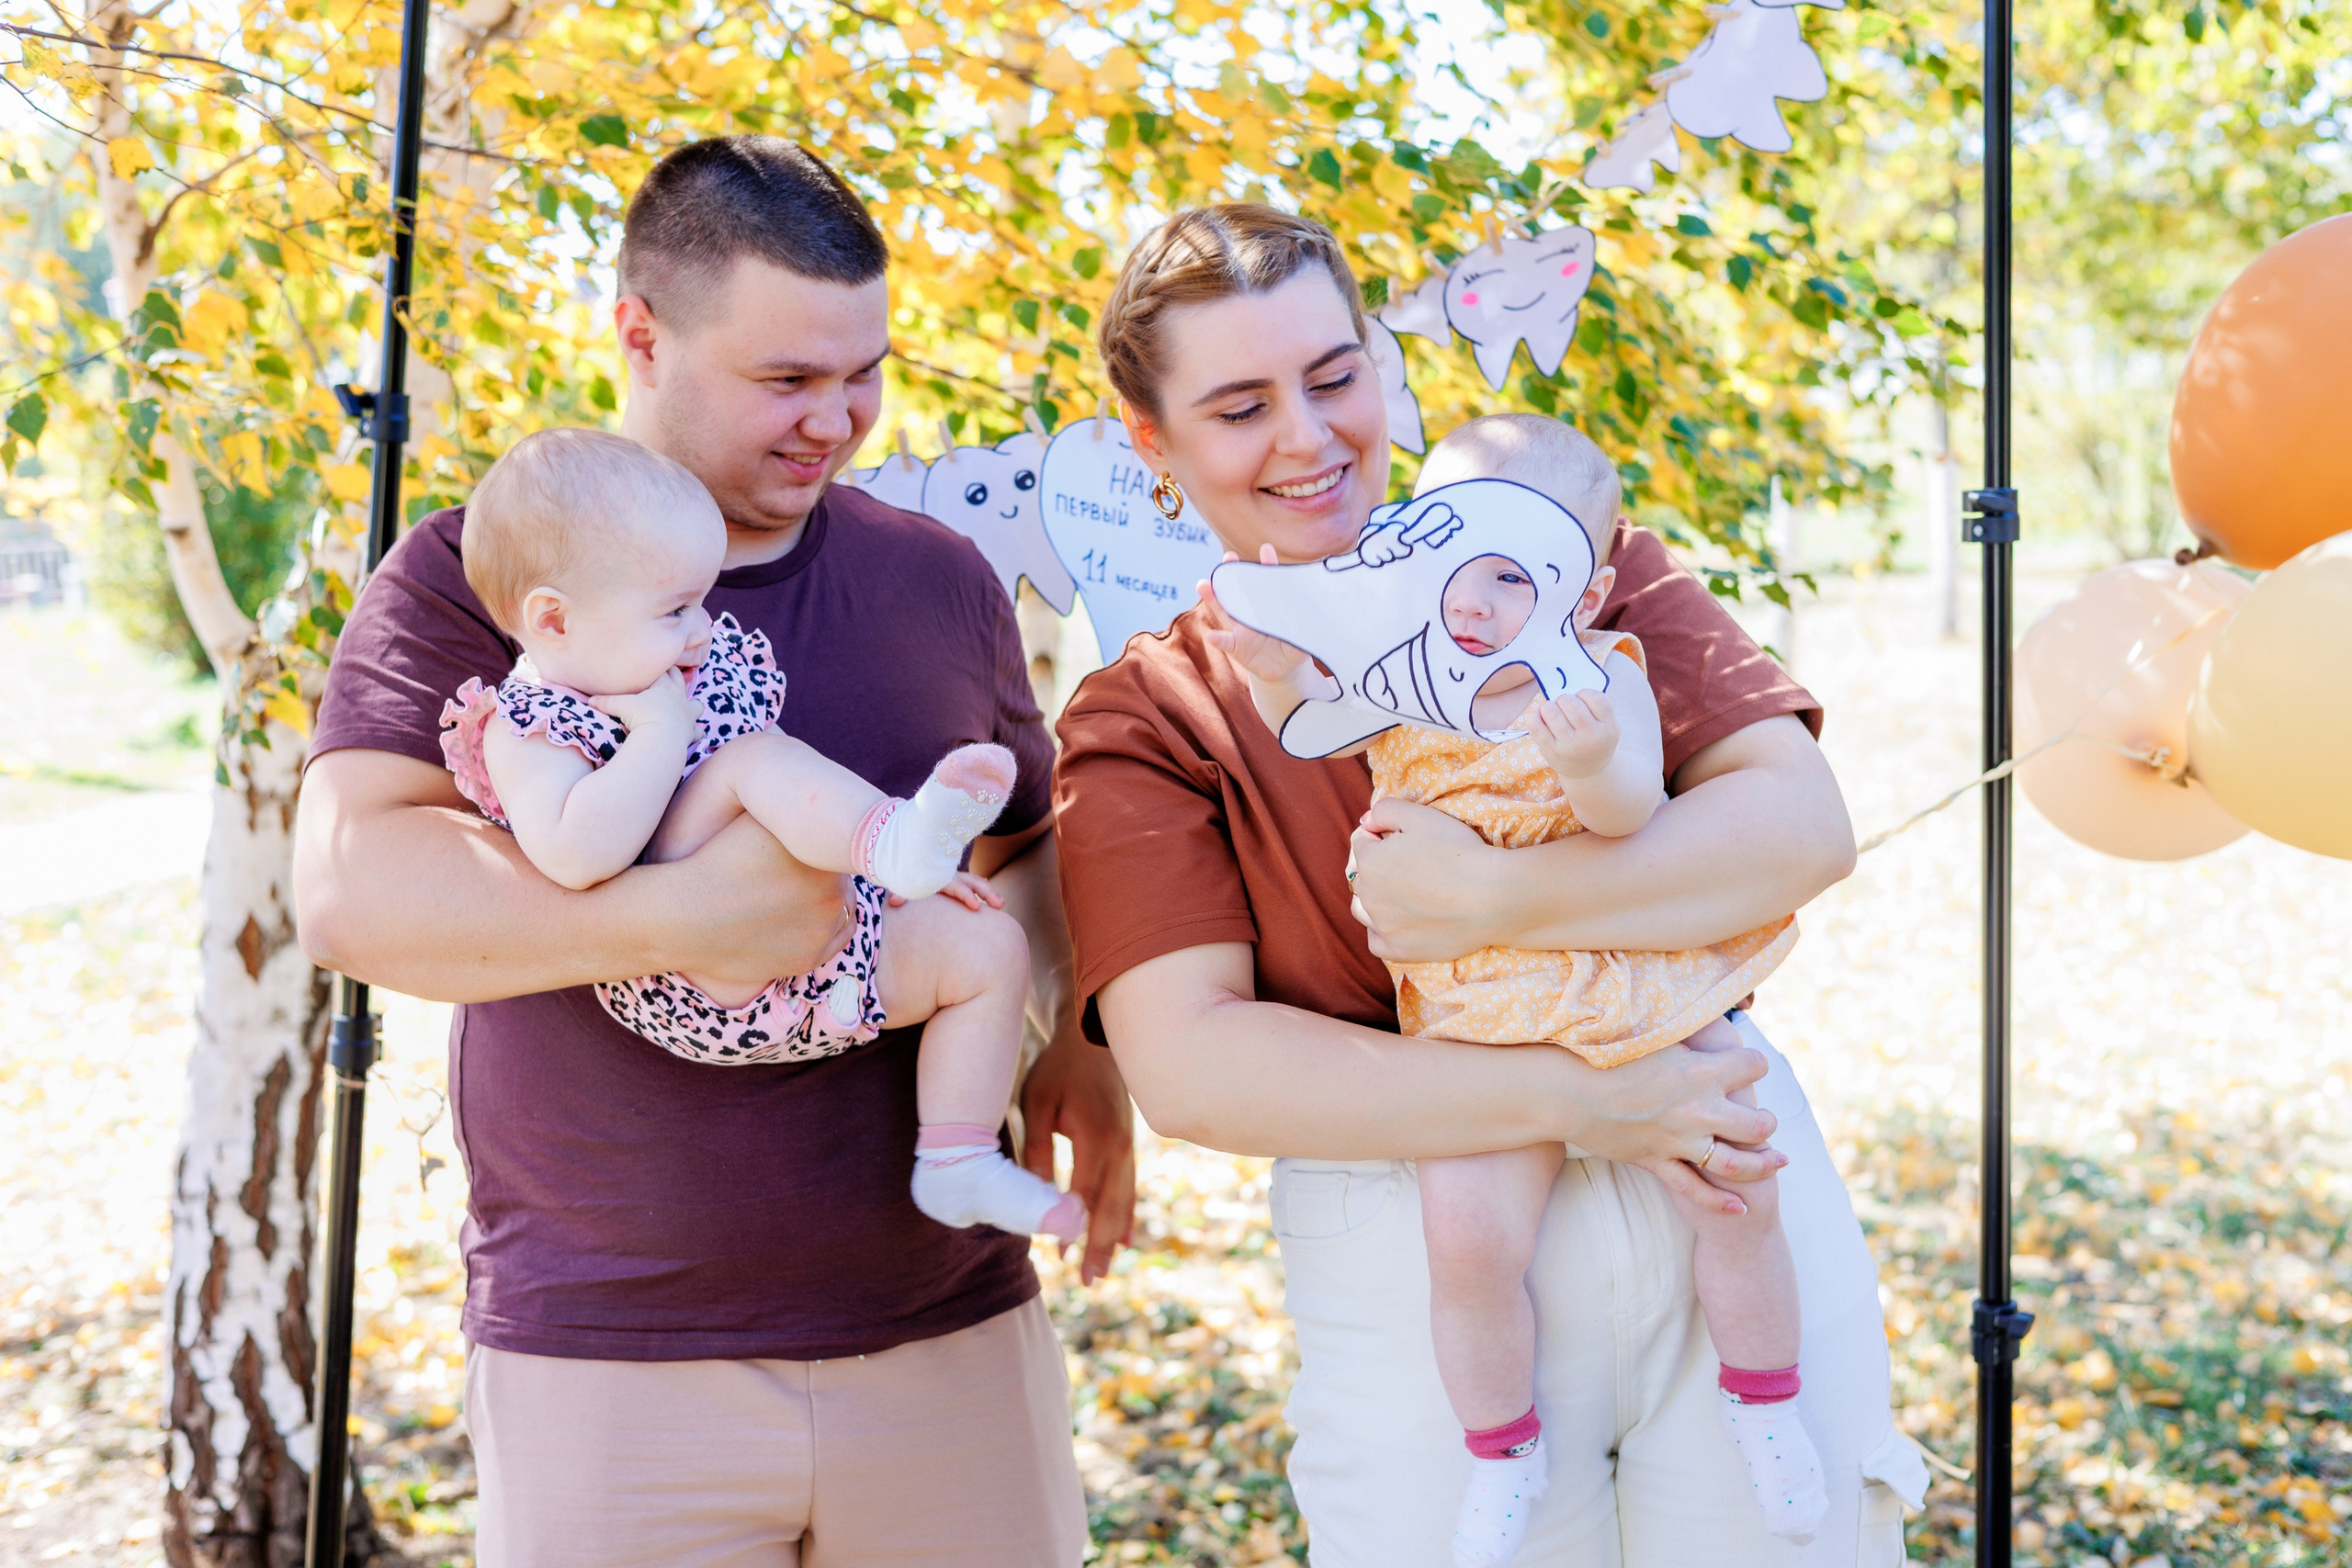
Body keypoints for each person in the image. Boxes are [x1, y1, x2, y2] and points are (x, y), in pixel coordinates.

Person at [293, 136, 1132, 1567]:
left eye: (864, 372)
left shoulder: (938, 575)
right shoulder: (483, 576)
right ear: (640, 333)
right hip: (610, 1350)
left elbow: (1029, 848)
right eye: (787, 381)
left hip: (949, 1323)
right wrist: (692, 917)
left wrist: (1082, 1040)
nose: (840, 420)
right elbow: (351, 889)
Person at [1051, 204, 1928, 1564]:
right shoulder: (1149, 715)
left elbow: (1797, 829)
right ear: (1151, 444)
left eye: (1335, 375)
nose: (1307, 434)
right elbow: (1198, 1069)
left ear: (1386, 371)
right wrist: (1587, 1099)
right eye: (1239, 405)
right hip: (1430, 1229)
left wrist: (1501, 902)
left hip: (1718, 1159)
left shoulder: (1559, 550)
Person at [1211, 414, 1818, 1566]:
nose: (1471, 602)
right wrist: (1277, 668)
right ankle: (1501, 1450)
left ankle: (1764, 1400)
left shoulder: (1601, 679)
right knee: (1469, 1241)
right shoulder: (1404, 683)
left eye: (1507, 575)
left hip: (1623, 984)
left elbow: (1628, 808)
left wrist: (1588, 751)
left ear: (1580, 594)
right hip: (1480, 1021)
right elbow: (1305, 725)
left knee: (1736, 1183)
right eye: (1449, 566)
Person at [437, 426, 1084, 1240]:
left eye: (700, 603)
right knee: (752, 760)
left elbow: (780, 832)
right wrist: (660, 733)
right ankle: (893, 837)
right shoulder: (529, 724)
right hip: (683, 981)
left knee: (987, 948)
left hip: (812, 964)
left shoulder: (669, 667)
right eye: (674, 610)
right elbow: (577, 857)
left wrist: (889, 887)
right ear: (554, 620)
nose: (701, 629)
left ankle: (956, 1159)